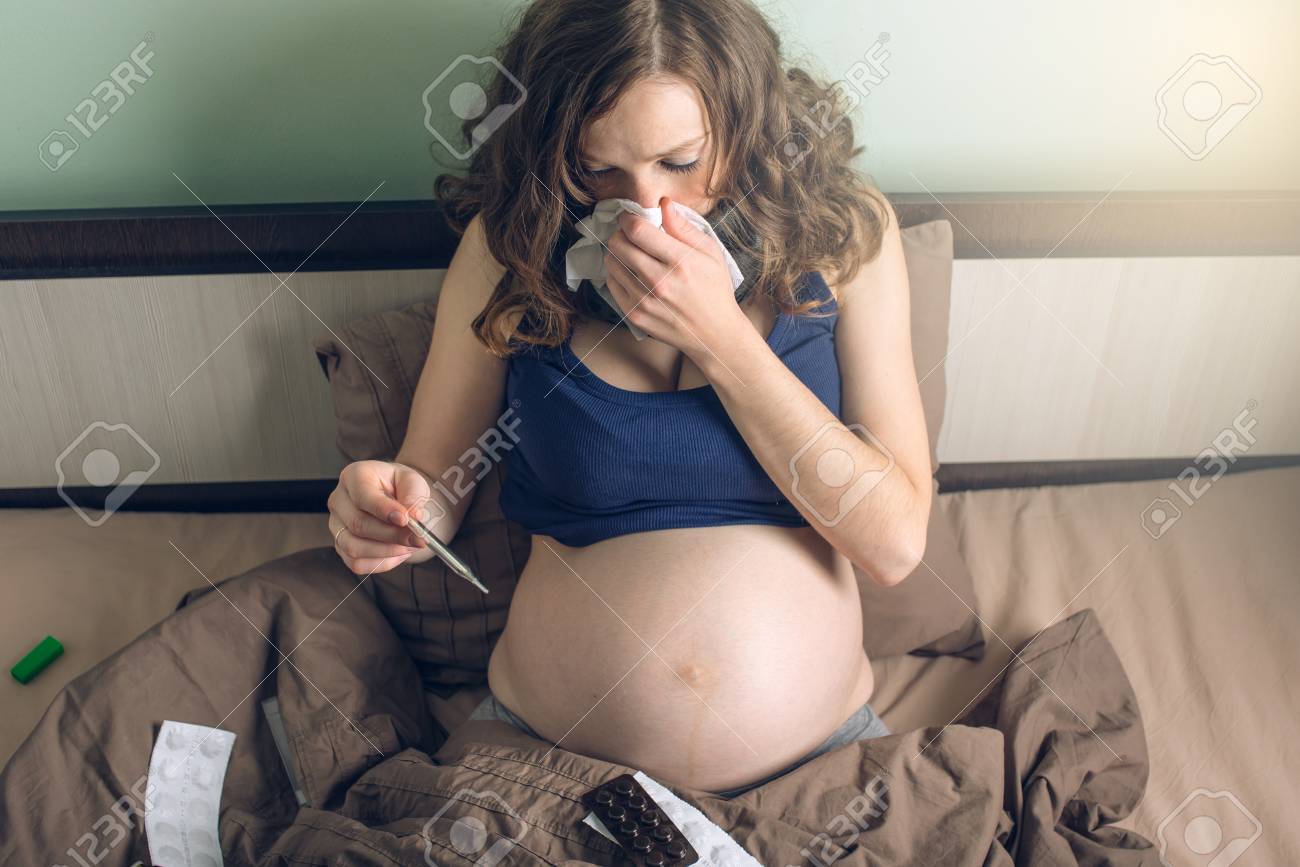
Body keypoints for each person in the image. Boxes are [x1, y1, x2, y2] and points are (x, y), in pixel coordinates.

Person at [327, 0, 931, 798]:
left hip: (820, 768)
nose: (646, 210)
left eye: (681, 163)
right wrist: (390, 508)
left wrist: (721, 337)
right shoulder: (506, 245)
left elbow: (893, 543)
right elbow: (435, 483)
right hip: (544, 760)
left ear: (746, 127)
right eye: (599, 170)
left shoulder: (846, 236)